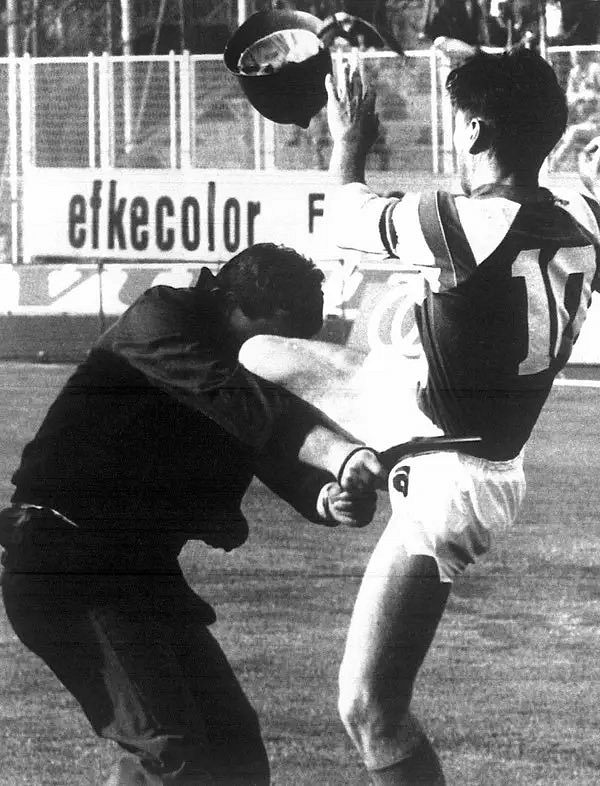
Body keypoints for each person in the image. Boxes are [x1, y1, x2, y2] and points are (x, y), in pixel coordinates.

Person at [239, 51, 600, 784]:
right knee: (255, 353)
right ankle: (335, 469)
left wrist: (349, 139)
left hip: (450, 469)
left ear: (472, 132)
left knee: (369, 706)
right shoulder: (581, 224)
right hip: (457, 439)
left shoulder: (471, 223)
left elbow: (345, 215)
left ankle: (332, 471)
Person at [0, 243, 386, 786]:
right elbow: (240, 403)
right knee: (173, 756)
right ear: (244, 309)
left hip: (136, 576)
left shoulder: (230, 358)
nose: (290, 355)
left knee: (234, 754)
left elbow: (259, 434)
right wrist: (341, 453)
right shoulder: (162, 319)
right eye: (283, 334)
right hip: (66, 566)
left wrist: (326, 494)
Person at [550, 49, 600, 169]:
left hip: (596, 123)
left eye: (578, 53)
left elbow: (595, 96)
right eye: (574, 52)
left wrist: (592, 96)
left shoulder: (595, 70)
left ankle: (553, 166)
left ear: (585, 55)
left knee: (574, 132)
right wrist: (580, 97)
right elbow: (569, 98)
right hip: (581, 121)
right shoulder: (574, 72)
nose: (574, 55)